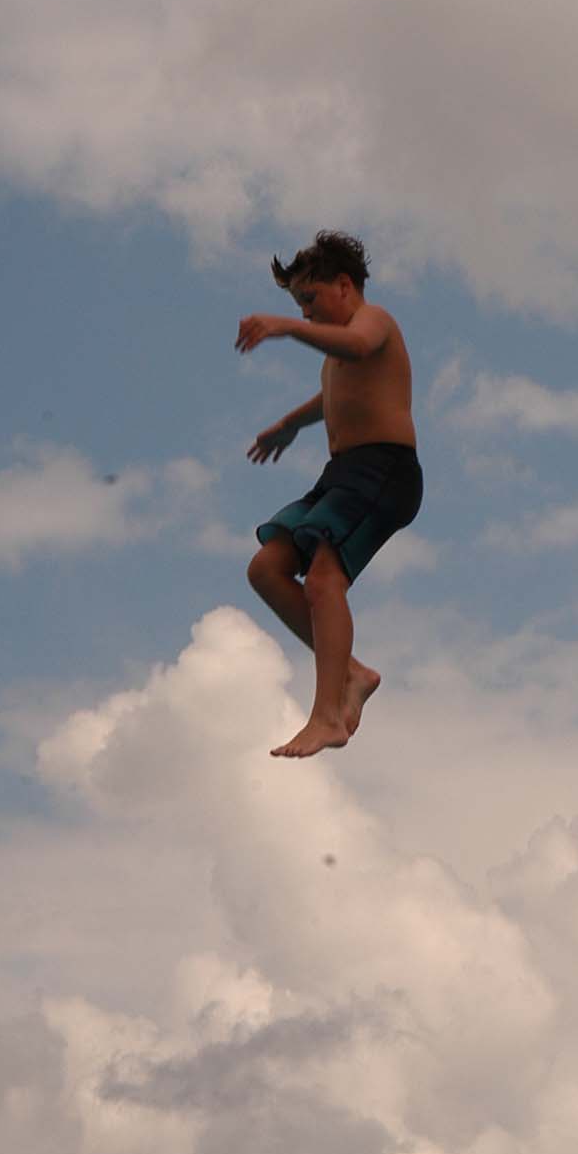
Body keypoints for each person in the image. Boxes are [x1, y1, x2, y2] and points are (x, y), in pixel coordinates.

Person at [237, 230, 422, 758]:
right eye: (299, 305)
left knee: (323, 580)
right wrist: (289, 425)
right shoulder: (334, 354)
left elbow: (358, 346)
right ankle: (354, 673)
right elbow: (333, 395)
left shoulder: (374, 321)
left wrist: (285, 327)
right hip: (341, 475)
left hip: (384, 470)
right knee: (266, 568)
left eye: (310, 299)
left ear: (344, 285)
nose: (307, 313)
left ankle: (327, 717)